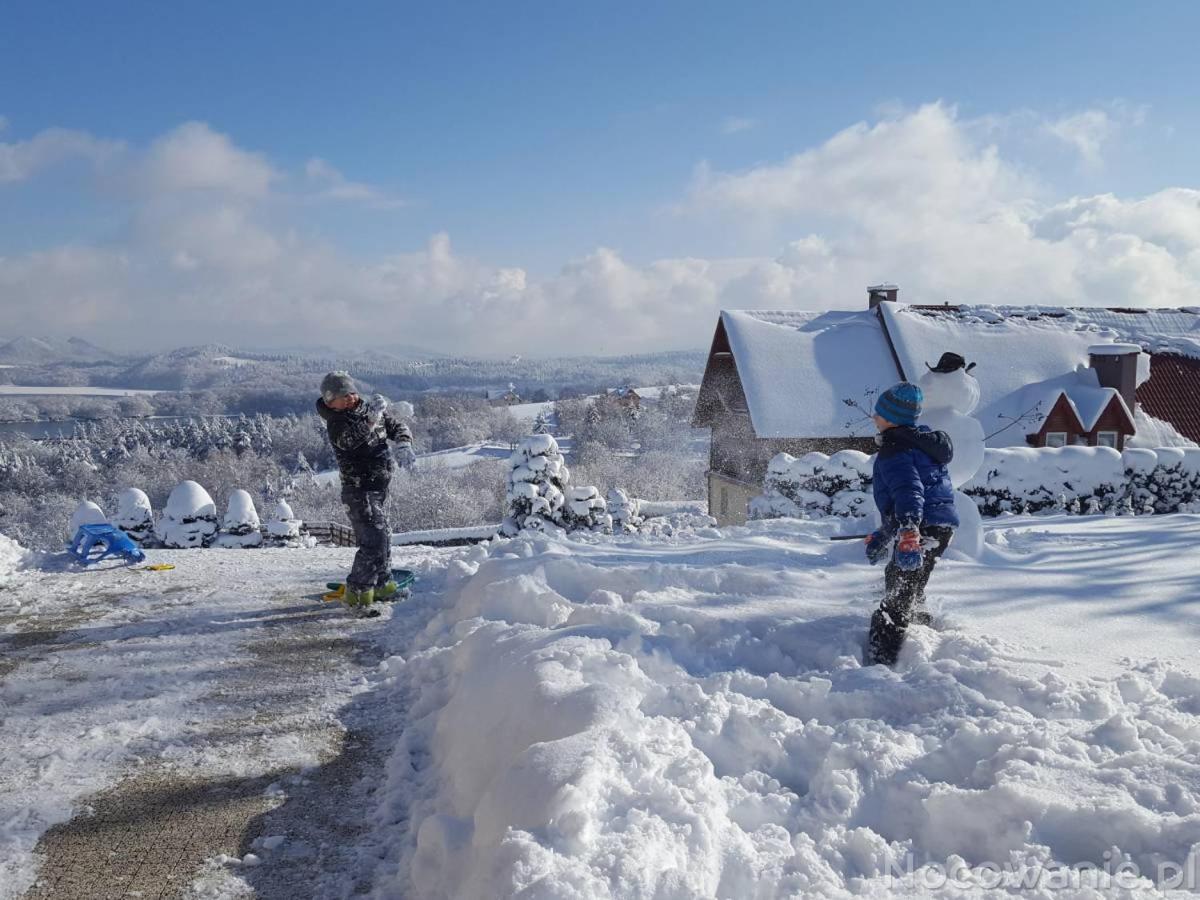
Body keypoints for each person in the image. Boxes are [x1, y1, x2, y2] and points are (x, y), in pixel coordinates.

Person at [863, 382, 959, 666]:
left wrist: (907, 531)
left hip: (921, 526)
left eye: (878, 414)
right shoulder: (922, 444)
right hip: (937, 527)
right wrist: (884, 534)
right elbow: (910, 497)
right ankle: (919, 631)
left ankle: (883, 659)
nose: (874, 418)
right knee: (909, 581)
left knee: (898, 591)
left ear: (891, 419)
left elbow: (908, 492)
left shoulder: (896, 449)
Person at [316, 371, 413, 612]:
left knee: (384, 537)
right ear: (330, 400)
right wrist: (371, 419)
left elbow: (396, 426)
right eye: (342, 395)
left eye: (351, 392)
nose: (349, 398)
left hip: (378, 488)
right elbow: (349, 441)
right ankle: (358, 593)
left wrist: (403, 442)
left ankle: (382, 584)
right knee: (374, 541)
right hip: (358, 490)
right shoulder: (336, 422)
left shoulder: (367, 410)